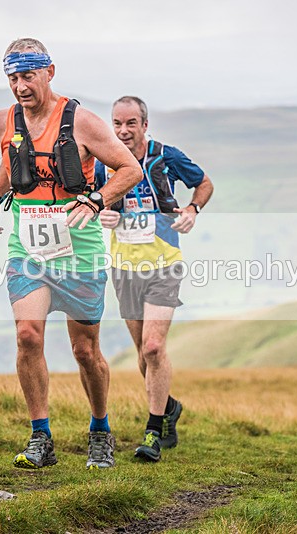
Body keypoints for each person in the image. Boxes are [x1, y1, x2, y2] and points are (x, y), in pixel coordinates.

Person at [0, 38, 142, 470]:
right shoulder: (4, 120)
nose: (20, 86)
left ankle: (100, 431)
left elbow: (131, 169)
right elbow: (9, 162)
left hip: (80, 247)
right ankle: (41, 437)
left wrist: (95, 201)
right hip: (28, 245)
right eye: (12, 78)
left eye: (27, 76)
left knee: (85, 350)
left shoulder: (83, 122)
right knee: (27, 335)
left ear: (49, 71)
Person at [95, 96, 213, 462]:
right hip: (124, 267)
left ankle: (152, 431)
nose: (123, 130)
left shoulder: (166, 156)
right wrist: (103, 211)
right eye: (117, 123)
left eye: (131, 123)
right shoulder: (105, 163)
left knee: (153, 347)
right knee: (143, 356)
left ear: (145, 125)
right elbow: (93, 199)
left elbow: (204, 183)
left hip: (164, 264)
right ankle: (169, 407)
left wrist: (193, 209)